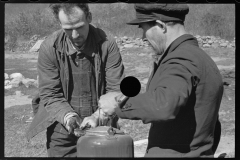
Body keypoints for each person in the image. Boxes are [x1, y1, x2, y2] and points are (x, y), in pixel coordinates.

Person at [93, 4, 223, 158]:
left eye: (143, 28)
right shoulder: (200, 57)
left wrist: (117, 104)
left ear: (161, 26)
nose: (142, 37)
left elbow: (164, 104)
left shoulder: (181, 59)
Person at [25, 3, 125, 157]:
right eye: (68, 29)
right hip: (60, 127)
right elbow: (50, 94)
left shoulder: (107, 44)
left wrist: (97, 116)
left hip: (102, 125)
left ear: (89, 17)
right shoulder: (49, 47)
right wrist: (69, 117)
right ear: (60, 24)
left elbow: (115, 89)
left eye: (79, 27)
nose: (75, 35)